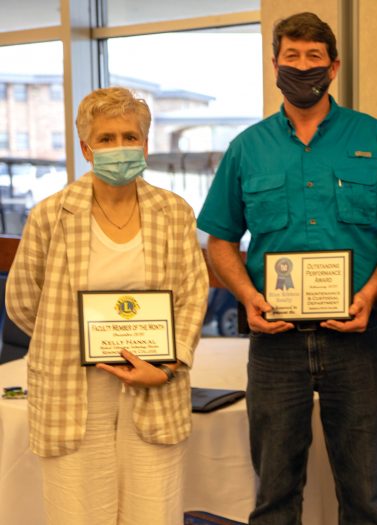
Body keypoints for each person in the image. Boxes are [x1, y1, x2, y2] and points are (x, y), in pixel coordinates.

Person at [196, 12, 377, 525]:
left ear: (333, 66)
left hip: (357, 336)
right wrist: (246, 295)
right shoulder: (247, 149)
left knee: (364, 493)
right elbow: (220, 240)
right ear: (274, 64)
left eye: (313, 57)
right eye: (291, 57)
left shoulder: (374, 138)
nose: (302, 67)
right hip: (274, 341)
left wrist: (370, 293)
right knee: (275, 493)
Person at [6, 86, 209, 524]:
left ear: (146, 143)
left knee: (153, 511)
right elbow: (23, 302)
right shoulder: (50, 215)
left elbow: (193, 295)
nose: (120, 147)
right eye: (106, 138)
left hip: (155, 383)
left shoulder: (174, 213)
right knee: (77, 513)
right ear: (86, 147)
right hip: (71, 391)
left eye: (130, 136)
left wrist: (167, 365)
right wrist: (68, 339)